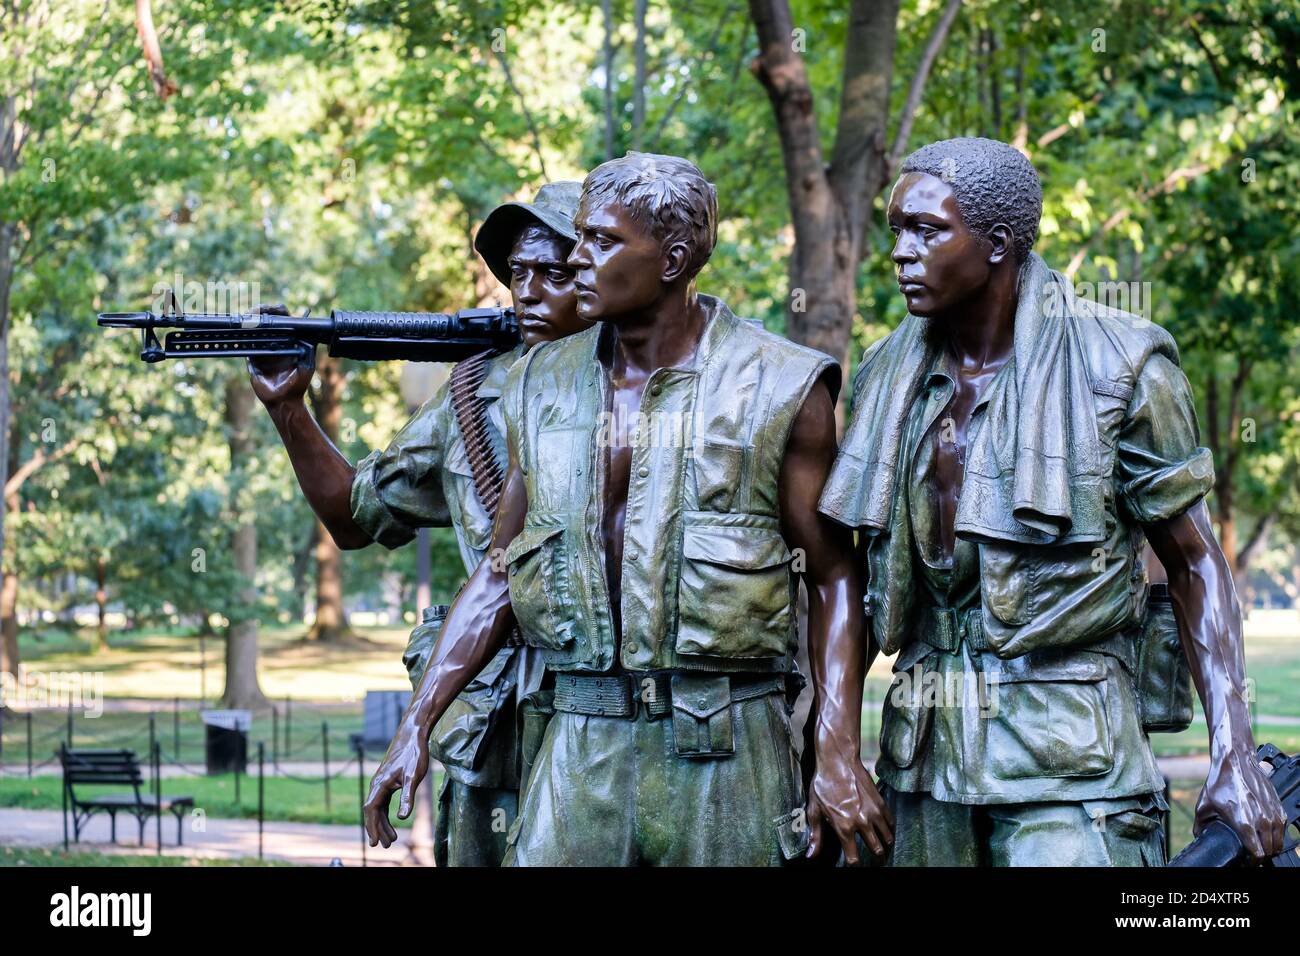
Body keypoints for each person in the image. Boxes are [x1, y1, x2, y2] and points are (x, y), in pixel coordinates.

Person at [363, 152, 893, 866]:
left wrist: (837, 751)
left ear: (673, 260)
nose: (577, 259)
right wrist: (415, 724)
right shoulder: (537, 385)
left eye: (603, 242)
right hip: (579, 742)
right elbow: (499, 572)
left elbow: (834, 576)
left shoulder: (780, 388)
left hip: (726, 750)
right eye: (581, 235)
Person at [818, 137, 1287, 865]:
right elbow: (845, 571)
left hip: (1071, 771)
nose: (901, 253)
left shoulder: (1123, 364)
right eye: (896, 231)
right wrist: (838, 751)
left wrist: (1233, 751)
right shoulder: (884, 375)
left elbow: (1196, 562)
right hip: (925, 765)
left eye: (928, 231)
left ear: (998, 244)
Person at [248, 181, 591, 866]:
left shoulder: (652, 390)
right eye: (516, 273)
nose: (526, 291)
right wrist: (290, 411)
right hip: (492, 715)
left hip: (604, 714)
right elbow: (355, 515)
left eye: (552, 270)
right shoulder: (473, 392)